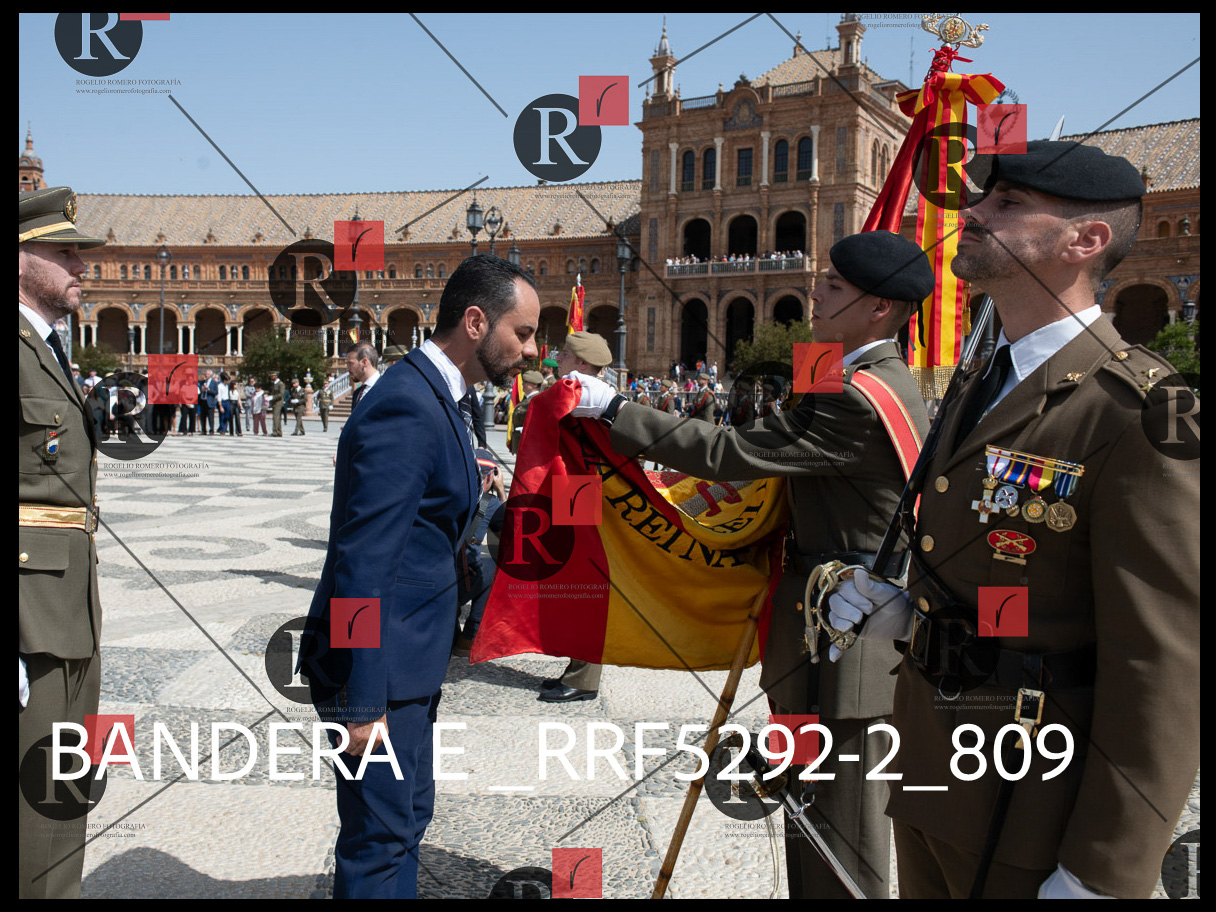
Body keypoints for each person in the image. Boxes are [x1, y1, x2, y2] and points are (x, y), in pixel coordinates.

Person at [829, 142, 1201, 899]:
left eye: (1007, 204)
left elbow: (1162, 663)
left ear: (1085, 240)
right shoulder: (982, 374)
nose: (972, 213)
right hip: (935, 769)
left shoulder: (1146, 409)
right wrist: (913, 614)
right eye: (981, 198)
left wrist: (1105, 871)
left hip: (1031, 806)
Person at [570, 230, 937, 899]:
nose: (815, 293)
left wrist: (615, 408)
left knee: (838, 831)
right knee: (809, 815)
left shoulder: (855, 396)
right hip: (821, 630)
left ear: (880, 308)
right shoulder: (868, 378)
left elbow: (729, 452)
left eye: (833, 286)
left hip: (841, 645)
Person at [303, 254, 539, 899]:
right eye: (522, 333)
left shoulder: (441, 396)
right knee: (380, 840)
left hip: (409, 660)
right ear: (475, 322)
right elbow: (362, 565)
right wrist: (363, 701)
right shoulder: (407, 404)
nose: (532, 350)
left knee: (405, 819)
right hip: (378, 670)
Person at [18, 186, 107, 899]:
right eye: (66, 251)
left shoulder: (46, 351)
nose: (82, 266)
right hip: (28, 619)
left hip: (70, 609)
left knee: (62, 793)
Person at [541, 330, 614, 704]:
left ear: (582, 363)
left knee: (583, 587)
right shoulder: (583, 389)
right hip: (574, 489)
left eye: (565, 354)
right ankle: (576, 668)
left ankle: (585, 678)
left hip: (582, 491)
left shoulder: (585, 391)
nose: (559, 359)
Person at [507, 370, 543, 455]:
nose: (523, 384)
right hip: (521, 441)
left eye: (526, 382)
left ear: (535, 385)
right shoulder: (527, 399)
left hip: (529, 442)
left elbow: (538, 421)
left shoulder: (536, 400)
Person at [345, 341, 381, 412]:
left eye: (350, 363)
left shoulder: (387, 390)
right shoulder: (357, 394)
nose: (347, 369)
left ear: (364, 362)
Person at [268, 370, 285, 437]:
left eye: (272, 376)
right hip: (274, 402)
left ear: (276, 376)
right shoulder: (274, 383)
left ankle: (275, 432)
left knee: (275, 417)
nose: (271, 377)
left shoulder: (280, 384)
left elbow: (281, 394)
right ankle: (279, 432)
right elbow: (271, 392)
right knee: (277, 417)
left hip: (278, 402)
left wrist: (273, 397)